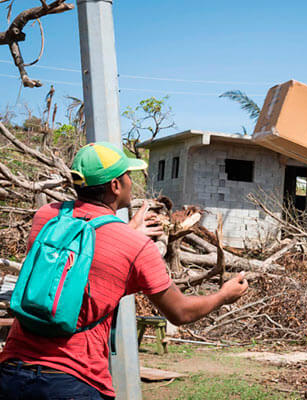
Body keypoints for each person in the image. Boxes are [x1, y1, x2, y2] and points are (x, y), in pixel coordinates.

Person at [0, 142, 249, 399]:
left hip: (13, 372)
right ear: (115, 186)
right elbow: (180, 312)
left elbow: (82, 258)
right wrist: (223, 295)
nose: (131, 181)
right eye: (128, 175)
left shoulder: (46, 216)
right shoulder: (135, 246)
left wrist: (126, 232)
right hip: (74, 381)